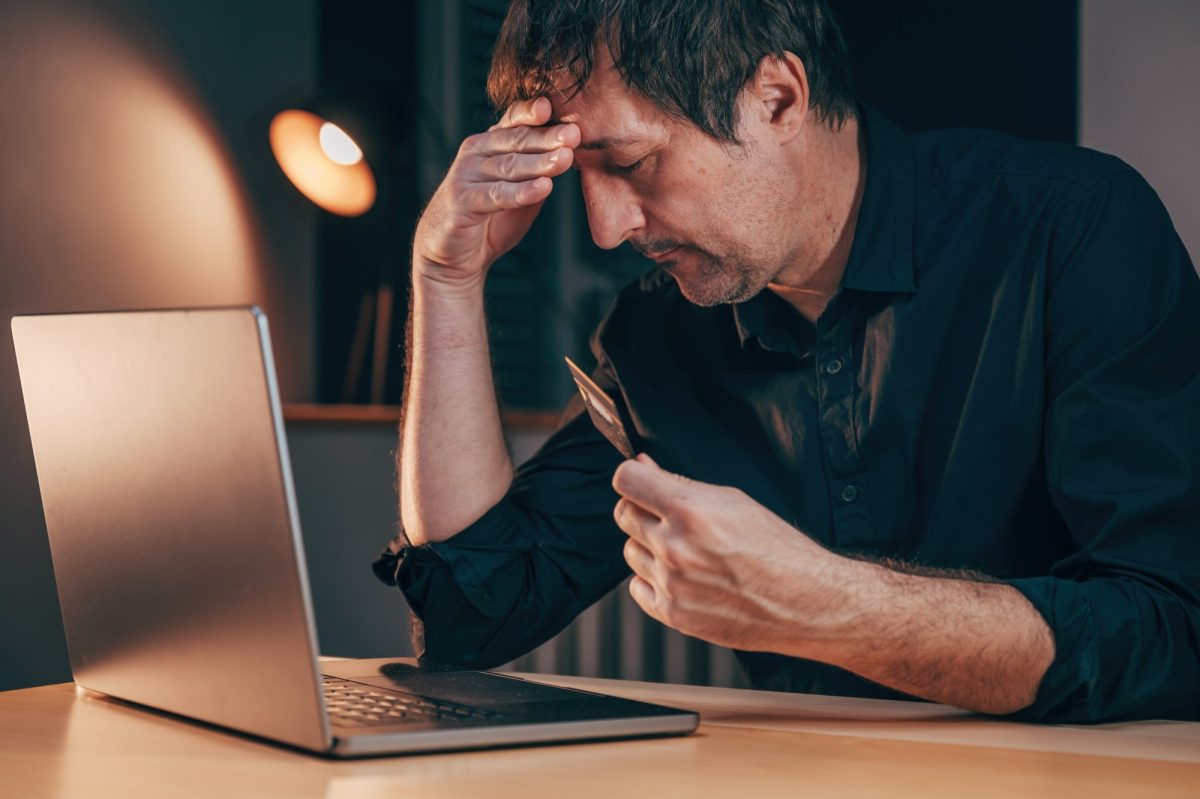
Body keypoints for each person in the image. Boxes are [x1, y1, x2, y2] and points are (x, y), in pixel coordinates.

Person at [373, 0, 1200, 723]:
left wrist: (823, 603)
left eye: (629, 164)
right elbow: (473, 616)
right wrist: (445, 277)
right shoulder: (655, 335)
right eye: (579, 177)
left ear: (777, 97)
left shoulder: (1072, 228)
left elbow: (1171, 628)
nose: (604, 227)